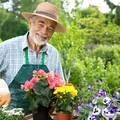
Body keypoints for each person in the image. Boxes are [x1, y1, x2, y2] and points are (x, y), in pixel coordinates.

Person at [0, 2, 66, 116]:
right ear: (30, 22)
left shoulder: (53, 54)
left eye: (50, 28)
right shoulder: (7, 48)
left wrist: (56, 102)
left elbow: (61, 88)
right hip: (9, 116)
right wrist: (1, 84)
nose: (44, 31)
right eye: (41, 24)